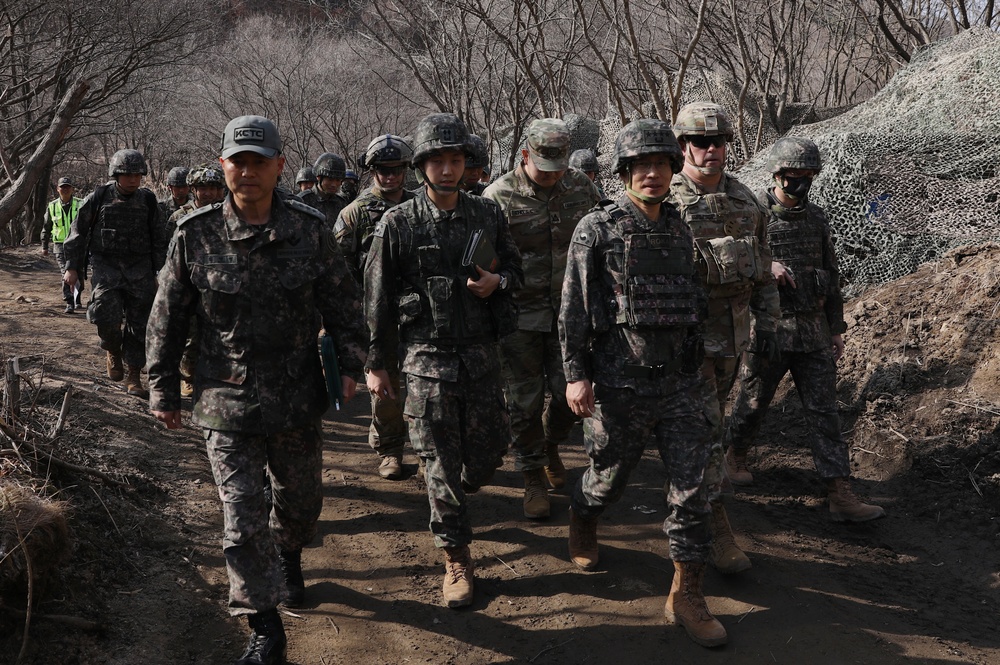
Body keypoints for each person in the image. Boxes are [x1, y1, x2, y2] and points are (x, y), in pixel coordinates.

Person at [147, 115, 367, 665]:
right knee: (241, 515)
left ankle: (289, 552)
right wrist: (162, 387)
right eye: (237, 161)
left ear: (279, 166)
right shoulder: (194, 234)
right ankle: (264, 627)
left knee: (301, 505)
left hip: (296, 396)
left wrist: (352, 362)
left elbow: (343, 304)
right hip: (224, 399)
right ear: (222, 165)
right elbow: (168, 318)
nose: (247, 172)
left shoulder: (310, 230)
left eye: (259, 161)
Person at [560, 118, 725, 648]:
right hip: (619, 383)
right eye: (640, 166)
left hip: (679, 384)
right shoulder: (597, 228)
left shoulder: (680, 228)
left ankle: (687, 593)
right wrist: (577, 376)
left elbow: (694, 304)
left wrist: (702, 368)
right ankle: (583, 518)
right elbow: (575, 310)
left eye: (659, 164)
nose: (651, 175)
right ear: (624, 172)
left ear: (672, 168)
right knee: (607, 480)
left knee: (693, 490)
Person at [364, 112, 522, 608]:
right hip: (425, 363)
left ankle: (466, 492)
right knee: (440, 468)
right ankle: (456, 558)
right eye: (438, 160)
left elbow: (516, 269)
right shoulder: (397, 223)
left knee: (488, 453)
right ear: (422, 166)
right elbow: (378, 298)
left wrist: (501, 283)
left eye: (456, 160)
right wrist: (375, 363)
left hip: (481, 359)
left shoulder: (488, 215)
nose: (448, 169)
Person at [726, 137, 886, 523]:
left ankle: (839, 491)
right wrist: (769, 266)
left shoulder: (816, 218)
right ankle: (735, 454)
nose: (800, 183)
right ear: (777, 175)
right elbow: (732, 265)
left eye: (807, 176)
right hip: (768, 331)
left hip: (813, 333)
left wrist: (836, 327)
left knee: (824, 413)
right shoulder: (752, 213)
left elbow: (831, 275)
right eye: (793, 176)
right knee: (753, 403)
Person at [669, 102, 780, 575]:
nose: (711, 150)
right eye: (700, 142)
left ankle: (689, 505)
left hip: (731, 340)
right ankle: (714, 528)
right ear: (683, 147)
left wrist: (769, 325)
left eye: (719, 142)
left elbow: (763, 267)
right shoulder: (662, 200)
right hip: (682, 344)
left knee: (703, 434)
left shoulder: (747, 201)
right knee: (706, 434)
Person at [483, 118, 600, 519]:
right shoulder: (497, 197)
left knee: (573, 396)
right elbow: (481, 260)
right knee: (524, 402)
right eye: (544, 168)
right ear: (524, 156)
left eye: (560, 168)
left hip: (571, 314)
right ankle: (532, 474)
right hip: (518, 315)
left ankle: (551, 443)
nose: (553, 177)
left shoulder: (581, 187)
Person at [335, 134, 416, 480]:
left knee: (421, 386)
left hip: (419, 313)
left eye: (397, 169)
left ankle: (426, 450)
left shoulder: (420, 205)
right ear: (372, 171)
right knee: (384, 386)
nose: (390, 176)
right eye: (383, 170)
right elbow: (340, 272)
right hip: (373, 313)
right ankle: (390, 450)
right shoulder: (353, 214)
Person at [62, 149, 166, 398]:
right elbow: (77, 234)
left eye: (137, 175)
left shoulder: (148, 201)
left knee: (139, 324)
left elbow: (159, 239)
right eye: (127, 174)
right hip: (106, 266)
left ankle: (133, 374)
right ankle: (112, 348)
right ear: (116, 174)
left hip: (140, 269)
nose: (133, 180)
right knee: (103, 315)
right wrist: (72, 267)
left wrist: (160, 272)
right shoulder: (98, 197)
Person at [42, 177, 84, 313]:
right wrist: (44, 245)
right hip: (60, 245)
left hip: (78, 244)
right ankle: (69, 302)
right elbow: (47, 226)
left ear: (72, 189)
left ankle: (77, 298)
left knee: (78, 272)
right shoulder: (52, 206)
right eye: (62, 187)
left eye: (67, 187)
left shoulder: (81, 204)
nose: (65, 189)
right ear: (58, 189)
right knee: (65, 272)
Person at [298, 152, 349, 223]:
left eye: (337, 180)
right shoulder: (303, 201)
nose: (334, 184)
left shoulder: (341, 203)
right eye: (330, 179)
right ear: (318, 177)